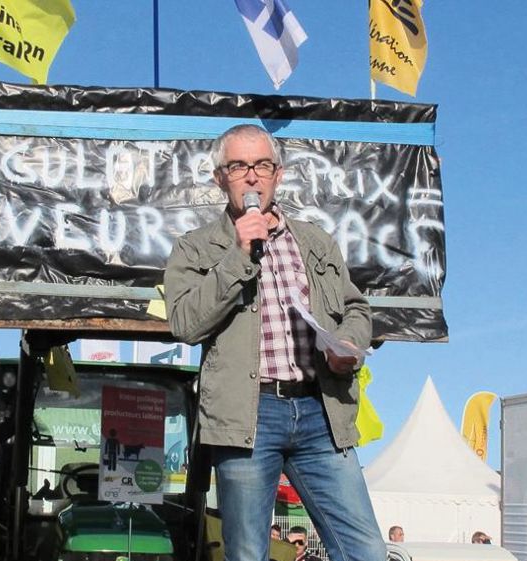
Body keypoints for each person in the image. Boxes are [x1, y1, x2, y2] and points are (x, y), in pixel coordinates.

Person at [164, 125, 385, 561]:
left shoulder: (315, 241)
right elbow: (185, 323)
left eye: (261, 165)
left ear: (278, 175)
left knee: (367, 552)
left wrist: (346, 345)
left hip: (321, 412)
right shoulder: (195, 248)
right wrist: (238, 256)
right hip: (250, 417)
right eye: (238, 166)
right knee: (247, 554)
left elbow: (357, 309)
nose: (251, 176)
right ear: (219, 178)